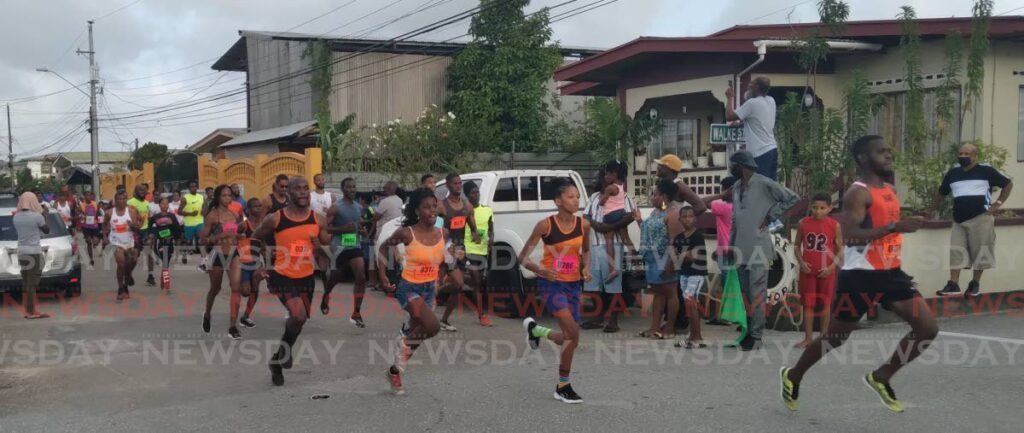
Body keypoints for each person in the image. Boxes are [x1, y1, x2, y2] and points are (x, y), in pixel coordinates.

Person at [780, 135, 937, 414]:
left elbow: (886, 224)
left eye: (889, 150)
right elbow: (850, 235)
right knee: (835, 338)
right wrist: (894, 227)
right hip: (860, 276)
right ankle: (793, 375)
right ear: (863, 159)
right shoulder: (858, 192)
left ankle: (882, 376)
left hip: (890, 273)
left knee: (927, 329)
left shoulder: (888, 188)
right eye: (881, 152)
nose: (888, 155)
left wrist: (903, 225)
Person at [252, 176, 330, 386]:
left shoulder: (318, 219)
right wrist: (259, 262)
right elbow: (255, 236)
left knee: (299, 320)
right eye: (298, 189)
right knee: (297, 314)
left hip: (306, 276)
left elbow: (325, 248)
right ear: (289, 194)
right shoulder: (275, 218)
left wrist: (319, 245)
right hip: (281, 273)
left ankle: (278, 359)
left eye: (306, 189)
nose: (303, 192)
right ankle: (282, 355)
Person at [520, 180, 592, 404]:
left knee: (572, 339)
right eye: (571, 196)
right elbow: (522, 257)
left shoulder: (584, 225)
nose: (576, 200)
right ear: (558, 201)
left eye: (578, 196)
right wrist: (540, 269)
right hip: (551, 284)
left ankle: (536, 330)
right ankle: (563, 386)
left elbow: (586, 251)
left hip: (573, 284)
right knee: (572, 333)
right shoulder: (545, 226)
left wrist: (586, 267)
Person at [377, 188, 449, 395]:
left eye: (434, 206)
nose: (431, 211)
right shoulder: (406, 233)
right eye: (426, 207)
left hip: (429, 289)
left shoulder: (443, 233)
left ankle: (395, 371)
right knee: (433, 326)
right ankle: (404, 338)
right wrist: (382, 275)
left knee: (417, 337)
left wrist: (449, 266)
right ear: (417, 210)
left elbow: (445, 257)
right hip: (409, 289)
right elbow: (383, 248)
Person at [728, 150, 800, 351]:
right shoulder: (735, 187)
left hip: (759, 246)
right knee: (745, 294)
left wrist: (771, 217)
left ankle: (756, 336)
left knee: (757, 292)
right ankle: (748, 331)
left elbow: (792, 198)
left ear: (741, 166)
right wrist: (730, 245)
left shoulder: (764, 183)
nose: (730, 168)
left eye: (732, 165)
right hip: (740, 248)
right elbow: (735, 219)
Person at [931, 143, 1014, 298]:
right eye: (961, 153)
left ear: (975, 156)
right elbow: (941, 192)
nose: (963, 156)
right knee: (956, 251)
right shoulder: (953, 173)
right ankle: (953, 284)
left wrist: (998, 203)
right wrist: (931, 210)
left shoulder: (986, 170)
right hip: (958, 220)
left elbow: (1008, 183)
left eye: (967, 154)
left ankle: (974, 284)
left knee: (981, 252)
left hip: (981, 217)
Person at [580, 168, 635, 334]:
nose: (602, 179)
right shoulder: (594, 197)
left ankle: (613, 321)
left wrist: (610, 227)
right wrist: (600, 226)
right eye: (601, 177)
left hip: (614, 244)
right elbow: (586, 217)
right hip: (594, 244)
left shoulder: (625, 196)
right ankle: (598, 318)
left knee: (613, 285)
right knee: (594, 285)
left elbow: (630, 215)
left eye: (606, 175)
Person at [795, 192, 843, 349]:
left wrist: (831, 267)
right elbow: (796, 246)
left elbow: (840, 248)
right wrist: (801, 262)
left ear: (829, 208)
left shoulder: (834, 225)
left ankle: (824, 338)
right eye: (815, 207)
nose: (818, 211)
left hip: (826, 270)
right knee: (808, 304)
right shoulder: (803, 223)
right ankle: (808, 338)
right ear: (810, 207)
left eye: (822, 208)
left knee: (825, 304)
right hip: (807, 270)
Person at [435, 173, 482, 331]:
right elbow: (433, 228)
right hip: (445, 248)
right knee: (459, 284)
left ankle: (444, 320)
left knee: (458, 287)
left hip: (460, 249)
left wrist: (476, 236)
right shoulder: (441, 206)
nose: (458, 186)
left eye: (460, 183)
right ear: (448, 186)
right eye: (455, 183)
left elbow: (473, 229)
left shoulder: (467, 206)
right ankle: (432, 293)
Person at [199, 185, 245, 340]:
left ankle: (233, 326)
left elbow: (237, 233)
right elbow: (203, 240)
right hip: (218, 255)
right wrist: (219, 237)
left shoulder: (234, 214)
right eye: (224, 196)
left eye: (230, 195)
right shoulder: (212, 216)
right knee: (215, 288)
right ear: (218, 197)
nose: (228, 198)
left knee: (236, 286)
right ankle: (207, 313)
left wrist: (239, 236)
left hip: (234, 254)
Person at [323, 178, 369, 328]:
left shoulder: (358, 206)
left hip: (354, 245)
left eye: (354, 187)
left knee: (361, 277)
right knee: (336, 277)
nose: (352, 189)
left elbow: (357, 222)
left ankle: (356, 313)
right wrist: (342, 230)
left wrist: (362, 230)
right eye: (349, 187)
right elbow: (326, 229)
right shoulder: (335, 208)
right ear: (342, 189)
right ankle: (326, 293)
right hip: (339, 246)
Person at [637, 179, 677, 340]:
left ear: (664, 196)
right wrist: (639, 221)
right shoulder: (656, 212)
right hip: (651, 258)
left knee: (670, 292)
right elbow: (651, 233)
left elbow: (673, 241)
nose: (652, 197)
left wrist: (670, 262)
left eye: (654, 194)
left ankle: (669, 328)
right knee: (658, 293)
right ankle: (654, 327)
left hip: (665, 258)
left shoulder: (673, 213)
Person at [725, 76, 779, 180]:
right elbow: (758, 121)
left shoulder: (752, 103)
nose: (748, 88)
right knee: (771, 186)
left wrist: (729, 98)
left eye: (750, 86)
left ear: (757, 87)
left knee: (760, 186)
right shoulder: (771, 101)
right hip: (772, 149)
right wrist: (740, 124)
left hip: (760, 152)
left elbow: (729, 116)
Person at [670, 206, 709, 349]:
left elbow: (693, 257)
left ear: (695, 218)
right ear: (680, 219)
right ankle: (691, 337)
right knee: (688, 304)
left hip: (696, 274)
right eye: (684, 216)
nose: (688, 219)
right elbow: (675, 259)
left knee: (690, 301)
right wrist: (683, 256)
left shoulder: (698, 236)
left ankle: (698, 337)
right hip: (684, 274)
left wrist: (682, 256)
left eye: (690, 216)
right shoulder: (679, 238)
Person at [700, 176, 736, 325]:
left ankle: (727, 316)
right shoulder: (741, 207)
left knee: (727, 284)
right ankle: (725, 316)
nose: (721, 192)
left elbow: (702, 202)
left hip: (727, 252)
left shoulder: (725, 207)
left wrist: (722, 196)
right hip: (731, 250)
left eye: (723, 189)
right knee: (731, 284)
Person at [14, 192, 52, 319]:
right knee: (32, 282)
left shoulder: (16, 217)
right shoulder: (37, 216)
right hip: (34, 252)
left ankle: (28, 309)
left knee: (26, 281)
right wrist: (45, 215)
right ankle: (32, 311)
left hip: (21, 251)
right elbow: (46, 230)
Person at [462, 181, 494, 327]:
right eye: (472, 193)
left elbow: (491, 229)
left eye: (477, 192)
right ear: (467, 195)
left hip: (482, 251)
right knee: (476, 283)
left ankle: (442, 288)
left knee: (476, 282)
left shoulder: (487, 210)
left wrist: (491, 241)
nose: (476, 195)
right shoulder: (463, 211)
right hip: (468, 250)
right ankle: (482, 315)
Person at [598, 161, 636, 281]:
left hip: (609, 216)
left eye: (607, 174)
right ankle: (637, 264)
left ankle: (612, 269)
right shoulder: (621, 186)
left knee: (609, 240)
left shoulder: (610, 188)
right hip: (621, 214)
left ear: (614, 174)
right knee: (627, 240)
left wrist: (603, 197)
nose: (605, 177)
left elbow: (602, 202)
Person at [105, 190, 142, 301]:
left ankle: (128, 276)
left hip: (129, 242)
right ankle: (121, 288)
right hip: (116, 242)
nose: (121, 201)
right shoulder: (109, 213)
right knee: (121, 264)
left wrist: (133, 226)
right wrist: (104, 237)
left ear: (126, 200)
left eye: (124, 199)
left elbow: (137, 229)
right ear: (115, 200)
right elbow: (103, 224)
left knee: (133, 261)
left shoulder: (131, 211)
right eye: (119, 199)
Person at [238, 198, 267, 329]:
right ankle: (237, 285)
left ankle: (246, 316)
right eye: (256, 207)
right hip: (243, 262)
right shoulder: (244, 225)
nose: (259, 209)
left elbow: (264, 244)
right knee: (245, 292)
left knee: (255, 289)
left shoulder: (263, 224)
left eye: (260, 206)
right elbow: (233, 239)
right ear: (248, 210)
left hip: (256, 261)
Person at [149, 197, 182, 292]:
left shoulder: (172, 216)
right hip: (159, 242)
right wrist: (152, 234)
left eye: (167, 204)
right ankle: (167, 286)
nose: (165, 205)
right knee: (165, 262)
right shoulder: (155, 217)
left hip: (169, 242)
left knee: (166, 263)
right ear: (159, 205)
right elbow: (149, 228)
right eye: (163, 203)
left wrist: (172, 224)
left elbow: (178, 230)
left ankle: (163, 280)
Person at [126, 185, 155, 287]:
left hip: (145, 231)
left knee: (149, 252)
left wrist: (151, 231)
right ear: (135, 191)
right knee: (134, 256)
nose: (142, 192)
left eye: (144, 190)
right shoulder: (130, 203)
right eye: (140, 190)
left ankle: (150, 276)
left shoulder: (148, 204)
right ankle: (128, 274)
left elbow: (150, 219)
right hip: (134, 232)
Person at [180, 181, 205, 266]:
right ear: (189, 188)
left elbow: (205, 208)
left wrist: (204, 212)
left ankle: (203, 260)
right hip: (189, 224)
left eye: (195, 186)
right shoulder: (185, 198)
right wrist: (190, 214)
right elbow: (179, 211)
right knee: (189, 242)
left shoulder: (201, 197)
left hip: (200, 222)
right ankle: (184, 252)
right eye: (191, 187)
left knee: (201, 239)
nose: (193, 188)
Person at [79, 191, 103, 267]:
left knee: (96, 241)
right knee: (89, 242)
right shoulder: (82, 205)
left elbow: (98, 213)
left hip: (94, 226)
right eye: (87, 196)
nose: (88, 197)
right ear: (84, 197)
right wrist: (83, 217)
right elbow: (79, 215)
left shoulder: (95, 204)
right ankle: (91, 259)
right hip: (86, 227)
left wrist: (100, 221)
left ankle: (95, 243)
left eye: (90, 195)